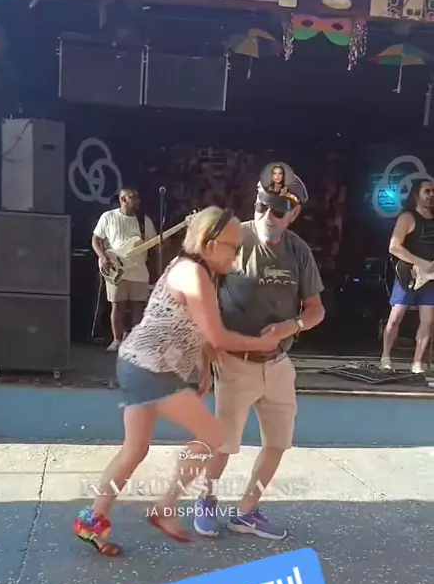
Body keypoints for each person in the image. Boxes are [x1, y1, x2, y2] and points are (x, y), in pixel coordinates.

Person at [74, 206, 291, 556]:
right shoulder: (194, 274)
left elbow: (197, 331)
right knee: (215, 436)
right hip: (152, 370)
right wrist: (262, 344)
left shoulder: (190, 269)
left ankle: (92, 521)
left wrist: (202, 367)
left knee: (135, 449)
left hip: (135, 363)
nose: (236, 256)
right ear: (209, 244)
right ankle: (167, 506)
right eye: (233, 247)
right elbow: (218, 336)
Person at [193, 164, 325, 540]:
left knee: (278, 443)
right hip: (235, 363)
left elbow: (316, 309)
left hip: (278, 364)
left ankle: (246, 511)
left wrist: (292, 326)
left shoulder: (299, 251)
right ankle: (206, 499)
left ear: (293, 214)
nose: (268, 215)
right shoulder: (233, 241)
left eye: (278, 210)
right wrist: (203, 357)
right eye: (262, 206)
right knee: (223, 445)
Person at [92, 188, 157, 352]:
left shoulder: (144, 221)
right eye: (132, 197)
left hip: (139, 270)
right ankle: (117, 340)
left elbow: (154, 242)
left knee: (138, 307)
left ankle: (135, 341)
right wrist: (102, 257)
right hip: (116, 267)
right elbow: (96, 239)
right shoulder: (108, 217)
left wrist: (163, 243)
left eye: (137, 197)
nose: (137, 200)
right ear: (123, 199)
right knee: (117, 306)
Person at [381, 179, 434, 374]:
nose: (432, 195)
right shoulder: (408, 217)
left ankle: (417, 362)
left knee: (427, 321)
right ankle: (386, 356)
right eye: (427, 191)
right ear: (416, 194)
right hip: (409, 276)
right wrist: (421, 264)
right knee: (395, 318)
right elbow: (394, 247)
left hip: (431, 279)